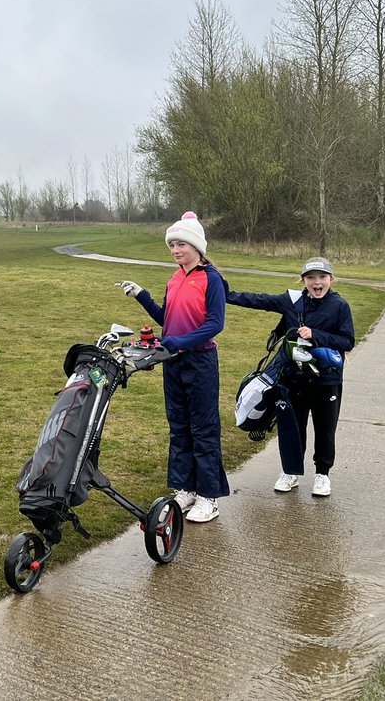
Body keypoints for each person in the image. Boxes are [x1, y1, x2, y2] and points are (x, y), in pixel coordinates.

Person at [117, 211, 229, 523]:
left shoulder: (212, 280)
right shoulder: (175, 278)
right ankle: (186, 488)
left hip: (200, 361)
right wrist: (141, 296)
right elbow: (166, 320)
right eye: (172, 246)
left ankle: (209, 496)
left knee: (203, 428)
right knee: (178, 426)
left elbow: (214, 325)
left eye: (181, 244)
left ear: (197, 247)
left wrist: (178, 343)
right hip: (173, 361)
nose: (176, 250)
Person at [226, 257, 355, 497]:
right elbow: (258, 300)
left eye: (322, 277)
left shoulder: (339, 305)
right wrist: (224, 293)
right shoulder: (292, 301)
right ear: (304, 280)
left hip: (327, 381)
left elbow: (347, 341)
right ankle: (290, 472)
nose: (317, 283)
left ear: (331, 279)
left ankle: (322, 475)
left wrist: (315, 335)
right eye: (311, 278)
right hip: (293, 380)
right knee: (293, 429)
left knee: (325, 429)